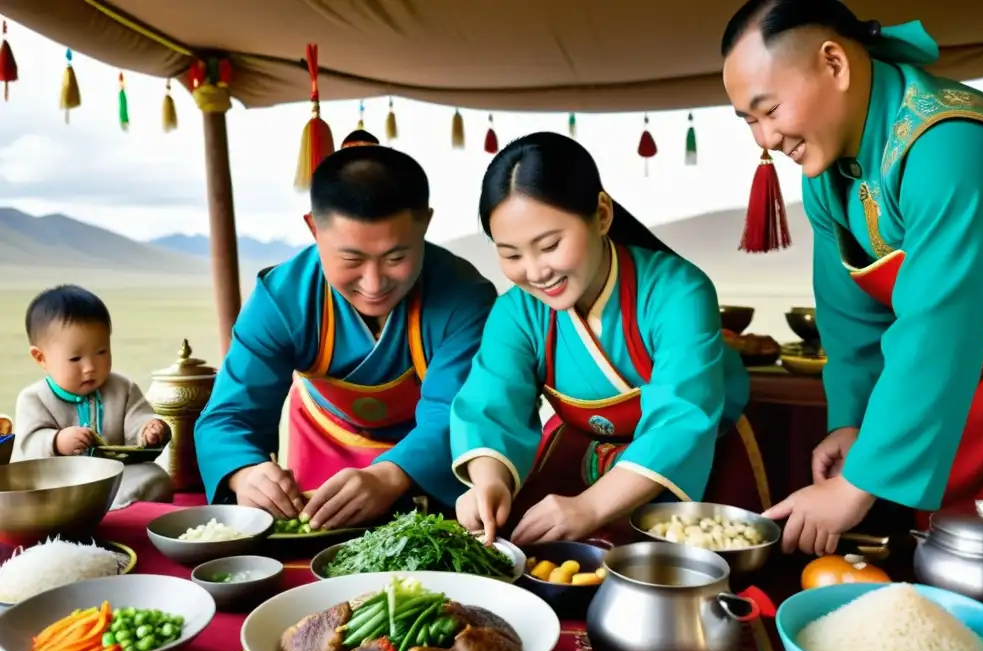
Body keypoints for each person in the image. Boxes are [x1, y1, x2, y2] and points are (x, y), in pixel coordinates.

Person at [721, 0, 983, 555]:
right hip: (953, 391)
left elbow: (938, 326)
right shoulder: (828, 171)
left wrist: (858, 483)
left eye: (770, 109)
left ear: (834, 63)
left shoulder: (951, 142)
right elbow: (850, 322)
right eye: (749, 121)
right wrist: (851, 427)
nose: (764, 138)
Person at [449, 132, 769, 546]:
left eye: (549, 245)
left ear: (601, 214)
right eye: (510, 255)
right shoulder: (516, 311)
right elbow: (491, 404)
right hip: (583, 457)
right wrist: (488, 482)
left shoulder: (678, 292)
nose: (535, 271)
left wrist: (592, 506)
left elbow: (681, 417)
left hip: (693, 462)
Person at [195, 145, 497, 530]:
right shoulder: (282, 299)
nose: (373, 285)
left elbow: (453, 414)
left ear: (424, 222)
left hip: (427, 464)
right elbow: (229, 415)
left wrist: (388, 475)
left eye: (395, 258)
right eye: (351, 260)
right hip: (322, 442)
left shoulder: (463, 297)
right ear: (314, 229)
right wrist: (245, 472)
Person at [13, 285, 173, 507]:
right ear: (41, 358)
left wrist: (148, 429)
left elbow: (137, 418)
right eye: (75, 358)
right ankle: (104, 509)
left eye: (101, 352)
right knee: (35, 494)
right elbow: (27, 447)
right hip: (63, 484)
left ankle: (111, 509)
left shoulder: (122, 387)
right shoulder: (33, 399)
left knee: (155, 477)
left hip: (116, 479)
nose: (90, 367)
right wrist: (56, 442)